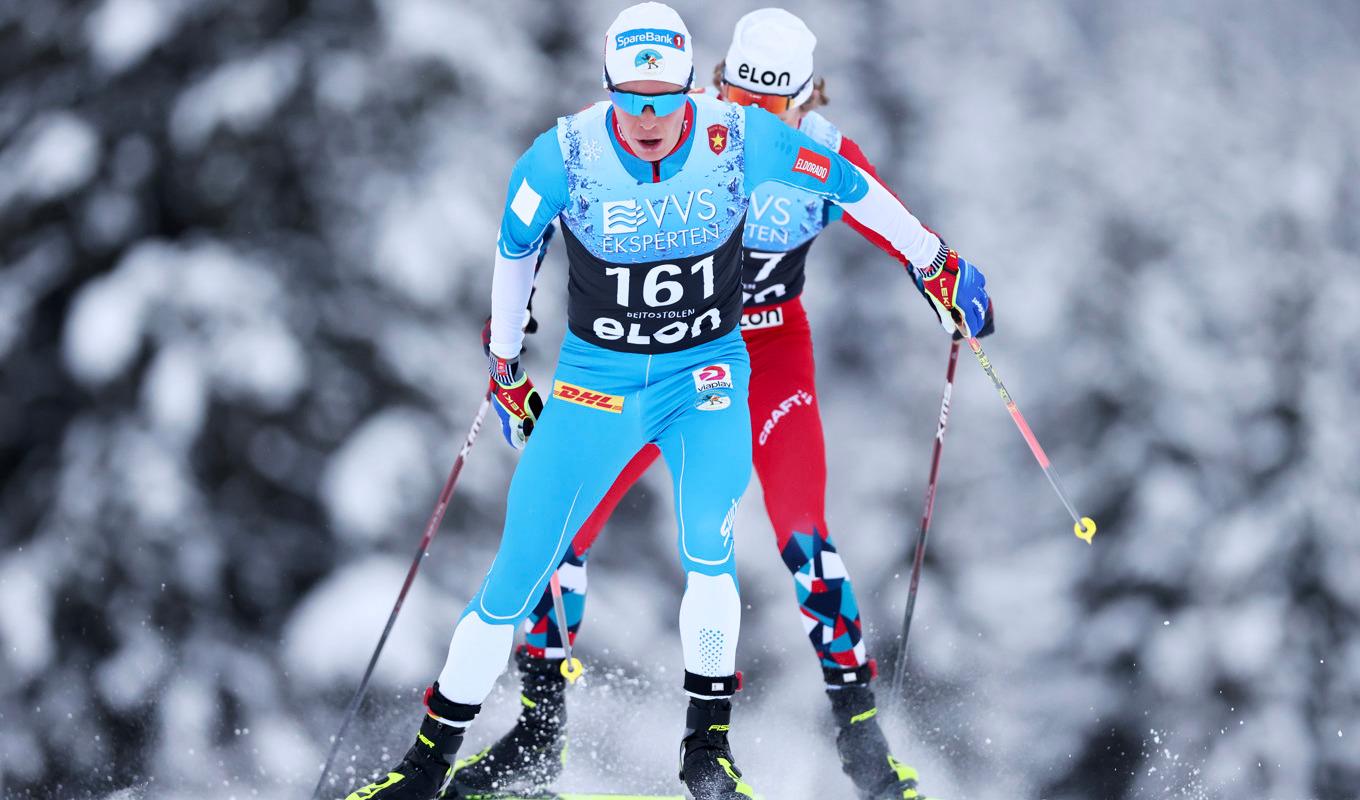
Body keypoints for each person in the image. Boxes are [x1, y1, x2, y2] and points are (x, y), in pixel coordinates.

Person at [343, 4, 989, 800]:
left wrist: (941, 270)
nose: (753, 114)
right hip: (658, 357)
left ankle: (863, 751)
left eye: (774, 103)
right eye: (739, 94)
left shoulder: (810, 152)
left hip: (766, 351)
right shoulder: (699, 134)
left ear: (808, 99)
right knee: (561, 538)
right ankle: (540, 734)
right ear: (716, 82)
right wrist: (512, 329)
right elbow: (562, 220)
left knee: (801, 532)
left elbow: (877, 213)